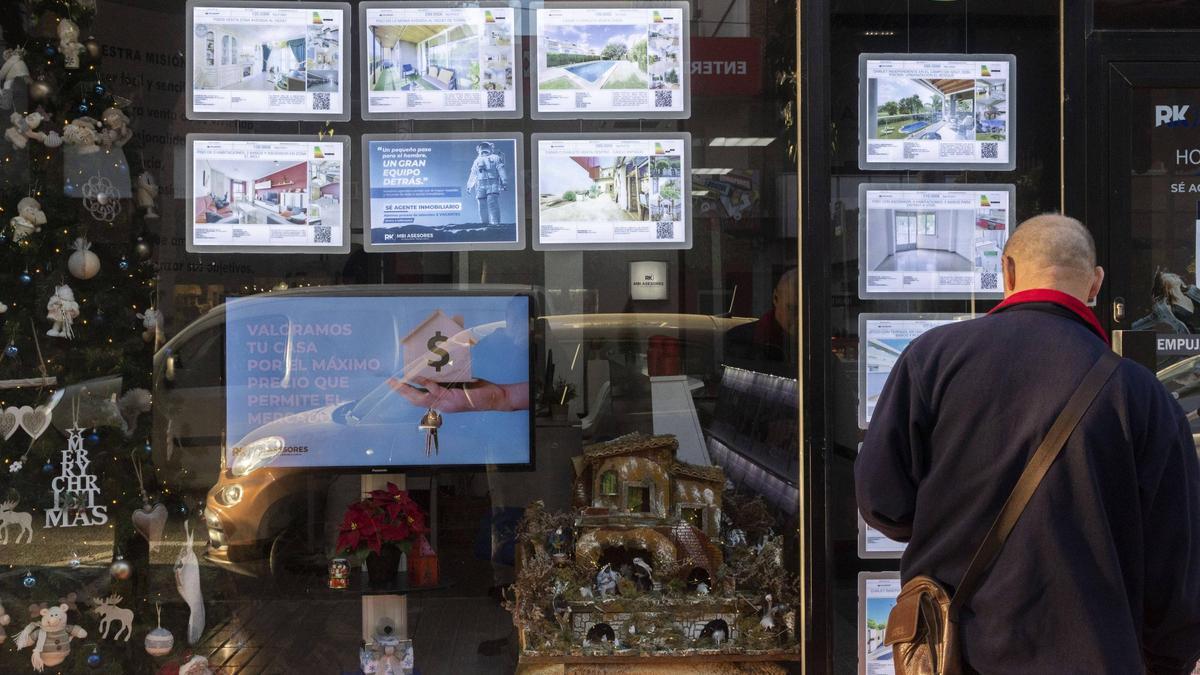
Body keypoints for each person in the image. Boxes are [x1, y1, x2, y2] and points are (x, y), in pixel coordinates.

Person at [855, 214, 1200, 674]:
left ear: (1008, 273)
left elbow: (883, 506)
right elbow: (1175, 566)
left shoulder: (931, 360)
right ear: (1095, 285)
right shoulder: (1141, 395)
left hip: (959, 653)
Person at [725, 268, 797, 372]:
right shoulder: (739, 343)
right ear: (775, 298)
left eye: (808, 310)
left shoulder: (821, 342)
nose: (801, 317)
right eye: (793, 309)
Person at [465, 141, 507, 225]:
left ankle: (496, 223)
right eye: (482, 149)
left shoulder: (495, 158)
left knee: (492, 204)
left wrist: (504, 181)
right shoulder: (477, 161)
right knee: (482, 205)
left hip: (492, 183)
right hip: (480, 185)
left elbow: (501, 170)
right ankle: (484, 223)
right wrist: (469, 185)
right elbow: (473, 174)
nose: (483, 151)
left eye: (485, 149)